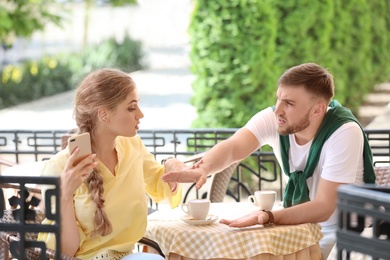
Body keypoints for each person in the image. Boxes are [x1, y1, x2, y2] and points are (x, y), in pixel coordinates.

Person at [162, 62, 376, 259]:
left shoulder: (344, 132)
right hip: (301, 229)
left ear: (318, 109)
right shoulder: (275, 118)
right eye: (278, 98)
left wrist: (266, 216)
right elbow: (233, 147)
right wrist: (205, 168)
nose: (279, 109)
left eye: (289, 103)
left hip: (347, 234)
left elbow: (324, 207)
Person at [38, 68, 185, 260]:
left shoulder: (133, 145)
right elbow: (64, 252)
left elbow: (161, 183)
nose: (140, 114)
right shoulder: (58, 168)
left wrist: (172, 164)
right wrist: (65, 194)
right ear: (104, 114)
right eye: (131, 107)